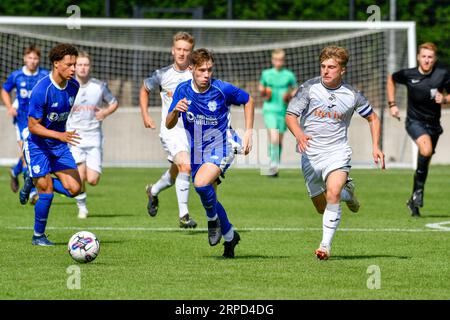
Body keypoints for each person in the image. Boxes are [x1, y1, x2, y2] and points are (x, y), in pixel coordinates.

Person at [285, 45, 385, 260]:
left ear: (342, 70)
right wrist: (300, 135)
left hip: (337, 152)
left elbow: (373, 118)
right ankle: (348, 193)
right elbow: (291, 115)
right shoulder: (309, 88)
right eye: (323, 66)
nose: (326, 71)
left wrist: (376, 146)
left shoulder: (351, 95)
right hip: (310, 154)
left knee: (332, 193)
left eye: (331, 67)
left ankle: (325, 246)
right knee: (322, 208)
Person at [166, 48, 254, 258]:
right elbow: (169, 125)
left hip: (223, 143)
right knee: (209, 193)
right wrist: (175, 111)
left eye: (210, 70)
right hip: (197, 150)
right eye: (202, 70)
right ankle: (231, 236)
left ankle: (212, 220)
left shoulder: (221, 89)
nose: (207, 75)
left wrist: (249, 132)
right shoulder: (182, 90)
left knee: (201, 184)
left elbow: (248, 99)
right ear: (191, 69)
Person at [25, 43, 82, 246]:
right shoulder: (42, 90)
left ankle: (33, 177)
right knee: (47, 192)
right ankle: (38, 236)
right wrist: (59, 136)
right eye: (69, 65)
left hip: (58, 146)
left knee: (75, 188)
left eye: (75, 64)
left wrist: (60, 137)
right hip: (38, 146)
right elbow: (32, 126)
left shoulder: (74, 86)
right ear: (56, 64)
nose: (74, 69)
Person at [139, 31, 198, 228]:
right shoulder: (162, 74)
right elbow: (144, 89)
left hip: (192, 132)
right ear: (173, 51)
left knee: (176, 172)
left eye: (186, 50)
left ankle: (153, 191)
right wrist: (146, 115)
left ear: (191, 52)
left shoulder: (197, 74)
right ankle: (184, 215)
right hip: (171, 129)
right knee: (186, 166)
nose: (182, 53)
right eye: (179, 49)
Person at [387, 42, 450, 218]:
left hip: (434, 125)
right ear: (418, 57)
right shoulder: (409, 74)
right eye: (424, 56)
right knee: (426, 149)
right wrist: (392, 105)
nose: (427, 60)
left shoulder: (442, 74)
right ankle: (419, 192)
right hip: (414, 122)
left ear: (435, 59)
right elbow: (391, 78)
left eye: (430, 57)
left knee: (426, 160)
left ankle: (413, 199)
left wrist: (444, 99)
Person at [66, 51, 119, 219]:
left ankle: (81, 198)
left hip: (94, 136)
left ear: (90, 67)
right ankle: (82, 207)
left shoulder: (98, 86)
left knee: (93, 179)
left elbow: (114, 102)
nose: (82, 68)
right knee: (79, 176)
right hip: (75, 136)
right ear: (74, 67)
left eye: (85, 65)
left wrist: (105, 112)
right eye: (79, 65)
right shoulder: (68, 86)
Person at [1, 44, 49, 202]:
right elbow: (4, 90)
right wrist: (9, 107)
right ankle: (33, 192)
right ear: (25, 58)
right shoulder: (16, 76)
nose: (33, 61)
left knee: (30, 155)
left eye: (36, 58)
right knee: (27, 155)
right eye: (30, 58)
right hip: (22, 120)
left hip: (40, 120)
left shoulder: (44, 75)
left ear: (39, 60)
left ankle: (15, 173)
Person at [259, 49, 297, 177]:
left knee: (279, 140)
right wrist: (264, 91)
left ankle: (275, 164)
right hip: (269, 109)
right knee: (274, 138)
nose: (278, 62)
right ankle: (272, 165)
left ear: (283, 60)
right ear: (272, 60)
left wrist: (290, 94)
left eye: (280, 60)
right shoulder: (266, 74)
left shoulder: (289, 75)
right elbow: (261, 88)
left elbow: (295, 89)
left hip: (283, 110)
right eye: (276, 60)